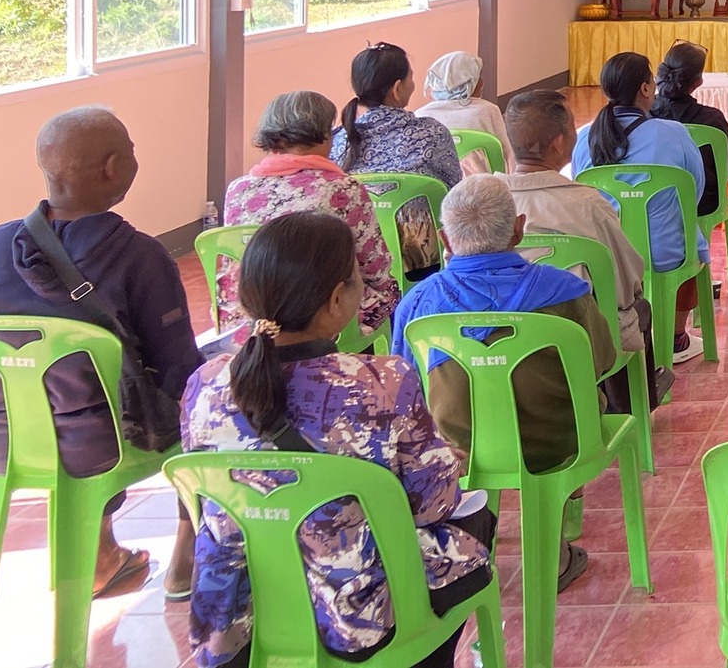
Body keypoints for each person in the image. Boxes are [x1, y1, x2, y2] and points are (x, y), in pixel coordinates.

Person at [180, 213, 494, 668]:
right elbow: (432, 506)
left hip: (240, 608)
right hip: (356, 611)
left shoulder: (203, 385)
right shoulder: (382, 383)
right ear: (335, 299)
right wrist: (443, 461)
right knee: (475, 518)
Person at [0, 107, 199, 600]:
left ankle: (102, 553)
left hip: (3, 439)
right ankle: (188, 557)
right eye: (131, 151)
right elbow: (178, 371)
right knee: (205, 400)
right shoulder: (139, 256)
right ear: (113, 168)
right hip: (99, 446)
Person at [391, 176, 614, 593]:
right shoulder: (565, 290)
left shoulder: (418, 305)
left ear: (445, 239)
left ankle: (472, 545)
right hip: (560, 441)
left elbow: (407, 388)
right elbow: (603, 361)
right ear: (519, 229)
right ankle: (556, 550)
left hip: (461, 448)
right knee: (588, 398)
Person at [219, 90, 398, 338]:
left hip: (251, 315)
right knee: (391, 293)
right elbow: (375, 268)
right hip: (318, 315)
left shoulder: (237, 190)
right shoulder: (343, 189)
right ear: (323, 135)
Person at [571, 51, 709, 363]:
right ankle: (676, 337)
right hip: (665, 252)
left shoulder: (585, 138)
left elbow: (581, 193)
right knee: (693, 238)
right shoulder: (673, 132)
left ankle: (616, 332)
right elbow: (693, 193)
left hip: (606, 253)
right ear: (646, 89)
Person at [499, 89, 650, 361]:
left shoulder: (485, 201)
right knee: (637, 309)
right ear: (559, 143)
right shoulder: (588, 204)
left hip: (502, 338)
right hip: (576, 340)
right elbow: (627, 281)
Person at [330, 42, 463, 278]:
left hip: (355, 260)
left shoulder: (338, 140)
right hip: (421, 262)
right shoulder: (431, 134)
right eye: (411, 78)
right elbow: (453, 194)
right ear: (397, 89)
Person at [650, 40, 728, 213]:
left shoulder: (644, 115)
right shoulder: (713, 119)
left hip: (652, 201)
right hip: (703, 203)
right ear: (698, 82)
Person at [411, 52, 511, 176]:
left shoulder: (420, 115)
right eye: (478, 77)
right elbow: (507, 157)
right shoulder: (487, 111)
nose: (482, 82)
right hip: (482, 184)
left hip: (438, 186)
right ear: (471, 83)